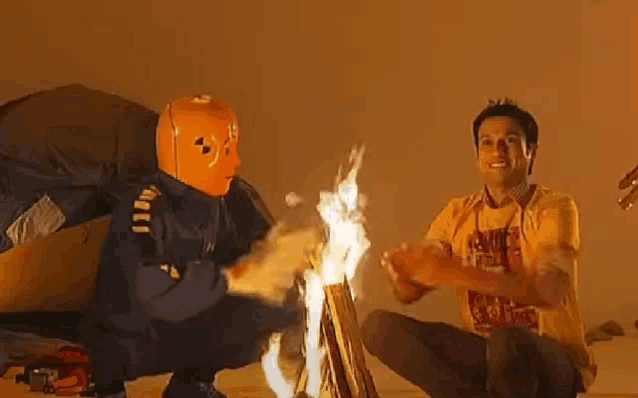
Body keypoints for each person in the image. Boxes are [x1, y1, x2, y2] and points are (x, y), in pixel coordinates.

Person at [86, 94, 319, 398]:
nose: (236, 161)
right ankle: (106, 388)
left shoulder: (232, 198)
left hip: (183, 321)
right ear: (197, 148)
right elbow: (155, 291)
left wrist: (295, 258)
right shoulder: (145, 207)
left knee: (281, 305)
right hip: (134, 333)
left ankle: (192, 385)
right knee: (117, 339)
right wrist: (231, 279)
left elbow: (263, 248)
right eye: (223, 150)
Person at [361, 99, 597, 398]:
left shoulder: (553, 208)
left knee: (507, 341)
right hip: (487, 356)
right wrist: (404, 274)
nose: (497, 150)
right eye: (487, 142)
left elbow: (549, 291)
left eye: (509, 141)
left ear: (531, 151)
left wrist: (456, 272)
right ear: (477, 156)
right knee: (378, 328)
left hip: (552, 361)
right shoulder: (457, 212)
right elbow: (409, 293)